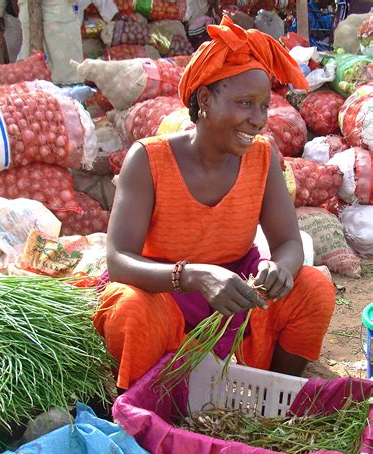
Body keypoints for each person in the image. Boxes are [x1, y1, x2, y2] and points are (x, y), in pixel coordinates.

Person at [94, 16, 335, 391]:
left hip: (239, 290)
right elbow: (119, 259)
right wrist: (193, 276)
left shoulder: (261, 157)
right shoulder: (148, 160)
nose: (257, 120)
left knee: (313, 290)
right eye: (244, 104)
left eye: (262, 106)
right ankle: (154, 407)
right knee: (130, 311)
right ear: (205, 100)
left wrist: (279, 269)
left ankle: (269, 393)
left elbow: (288, 242)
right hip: (166, 291)